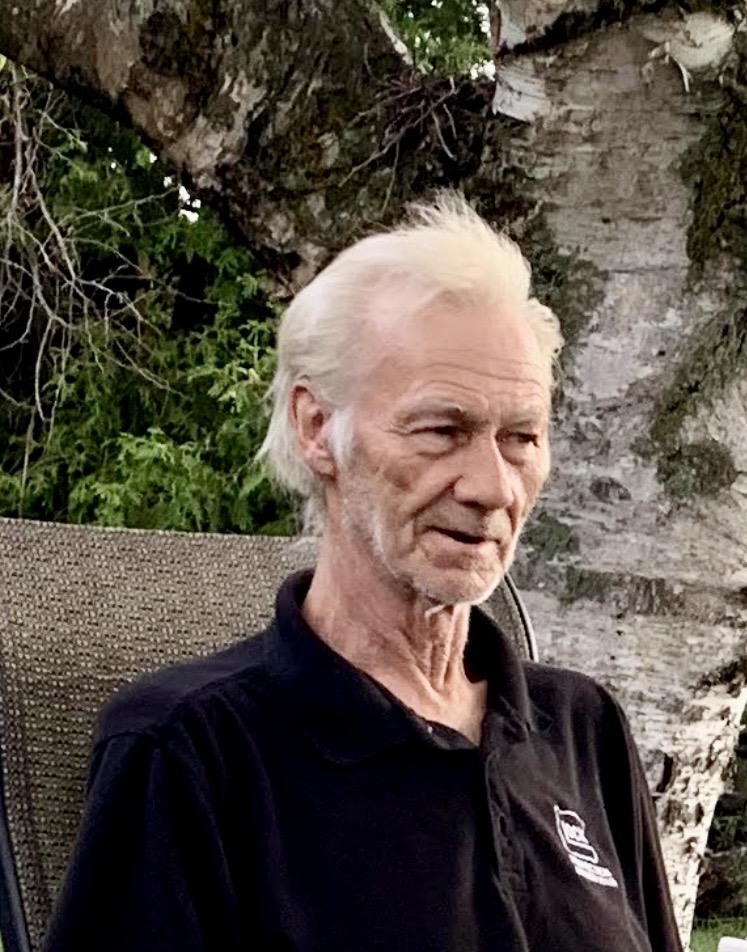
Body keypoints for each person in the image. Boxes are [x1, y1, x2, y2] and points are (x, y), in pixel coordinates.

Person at [43, 195, 683, 952]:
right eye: (441, 430)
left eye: (521, 437)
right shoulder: (192, 750)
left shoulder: (580, 728)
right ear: (317, 428)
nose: (492, 486)